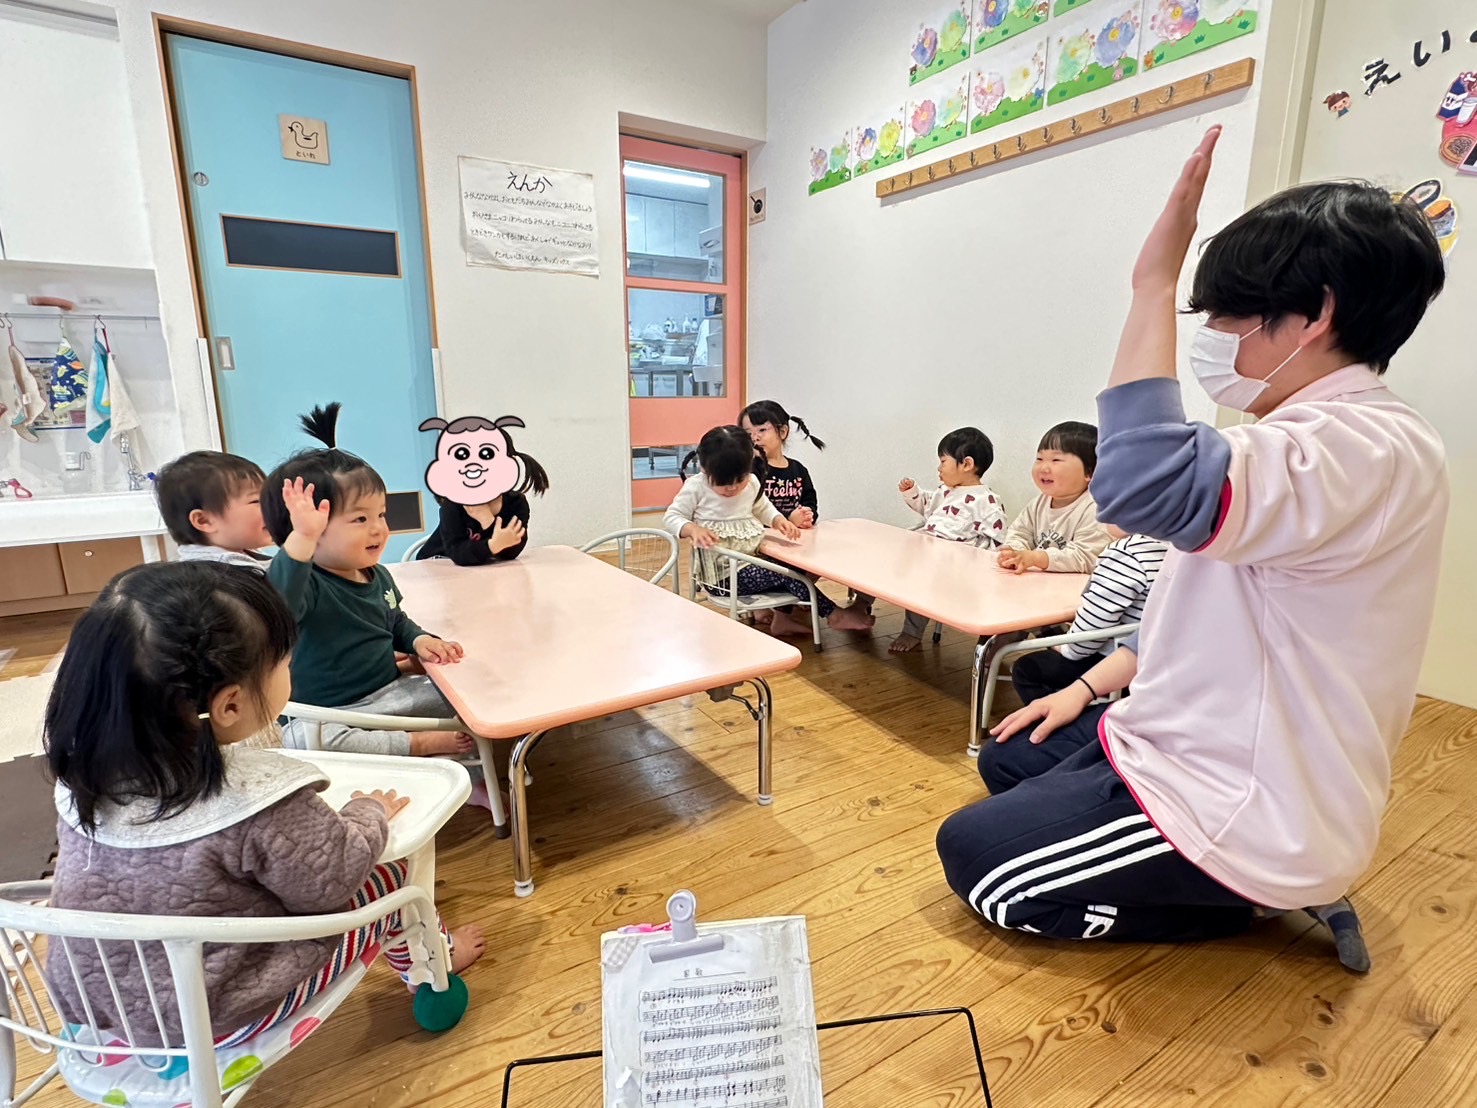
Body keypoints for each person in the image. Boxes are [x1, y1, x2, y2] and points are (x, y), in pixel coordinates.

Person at [935, 126, 1449, 974]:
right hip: (1180, 730)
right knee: (1010, 754)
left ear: (1314, 315)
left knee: (981, 866)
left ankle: (1247, 897)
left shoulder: (1359, 445)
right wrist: (1086, 690)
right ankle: (1137, 824)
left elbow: (1137, 484)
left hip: (1247, 799)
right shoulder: (1294, 439)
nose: (1208, 333)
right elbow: (1185, 612)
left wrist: (1152, 284)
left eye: (1224, 314)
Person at [43, 561, 485, 1047]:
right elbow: (333, 880)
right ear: (230, 705)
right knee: (394, 879)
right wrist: (368, 812)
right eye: (285, 664)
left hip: (98, 1007)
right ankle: (434, 968)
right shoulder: (260, 797)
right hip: (213, 1019)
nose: (289, 671)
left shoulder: (82, 780)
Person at [261, 404, 474, 765]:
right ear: (309, 529)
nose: (378, 528)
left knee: (464, 702)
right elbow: (277, 603)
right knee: (303, 740)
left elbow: (395, 621)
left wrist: (419, 640)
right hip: (329, 714)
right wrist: (302, 539)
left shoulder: (377, 574)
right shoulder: (305, 583)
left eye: (381, 515)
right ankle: (416, 745)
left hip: (389, 693)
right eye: (360, 519)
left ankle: (468, 777)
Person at [665, 426, 872, 633]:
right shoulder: (696, 487)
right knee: (788, 575)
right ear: (704, 469)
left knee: (797, 566)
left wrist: (778, 520)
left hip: (753, 558)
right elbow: (672, 516)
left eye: (740, 480)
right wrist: (692, 529)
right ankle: (834, 615)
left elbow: (762, 507)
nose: (733, 488)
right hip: (722, 576)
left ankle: (782, 619)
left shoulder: (752, 483)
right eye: (723, 483)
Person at [872, 426, 1006, 654]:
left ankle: (912, 632)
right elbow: (927, 506)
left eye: (943, 461)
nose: (939, 468)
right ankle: (861, 604)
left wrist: (982, 564)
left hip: (951, 565)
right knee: (880, 557)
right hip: (927, 550)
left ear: (967, 464)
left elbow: (997, 540)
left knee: (921, 585)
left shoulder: (986, 501)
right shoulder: (945, 491)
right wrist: (912, 493)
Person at [1009, 525, 1166, 705]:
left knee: (1026, 669)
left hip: (1116, 662)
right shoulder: (1172, 546)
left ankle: (1063, 718)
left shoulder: (1126, 554)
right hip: (1154, 659)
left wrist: (1066, 648)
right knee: (1051, 630)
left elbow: (1088, 638)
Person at [415, 415, 550, 565]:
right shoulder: (454, 503)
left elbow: (511, 552)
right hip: (436, 563)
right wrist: (493, 545)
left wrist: (487, 519)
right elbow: (457, 553)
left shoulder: (516, 502)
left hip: (481, 569)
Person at [996, 421, 1113, 575]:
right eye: (1039, 459)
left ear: (1089, 472)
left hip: (1079, 586)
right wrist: (1014, 552)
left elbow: (1085, 557)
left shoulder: (1095, 508)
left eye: (1056, 460)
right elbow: (1019, 532)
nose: (1043, 468)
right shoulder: (1039, 503)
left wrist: (1036, 558)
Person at [155, 450, 272, 570]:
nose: (271, 506)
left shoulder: (239, 550)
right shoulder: (221, 571)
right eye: (256, 501)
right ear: (204, 521)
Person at [741, 399, 825, 529]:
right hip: (762, 536)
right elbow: (748, 509)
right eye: (748, 433)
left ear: (783, 432)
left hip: (795, 536)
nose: (754, 438)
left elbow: (809, 500)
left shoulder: (799, 469)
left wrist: (806, 515)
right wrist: (787, 518)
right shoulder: (748, 470)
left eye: (762, 430)